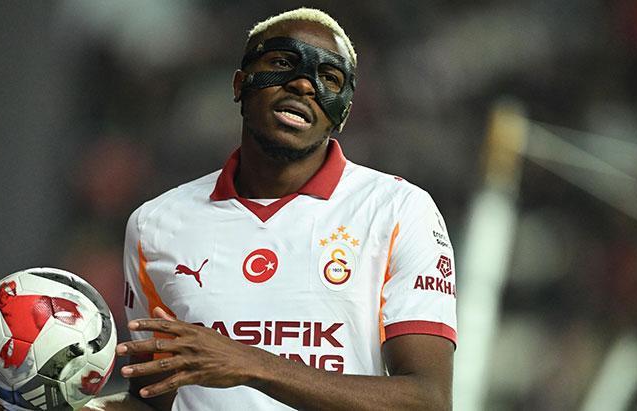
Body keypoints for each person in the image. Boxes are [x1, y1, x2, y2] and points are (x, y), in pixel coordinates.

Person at [91, 7, 457, 411]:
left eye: (330, 77)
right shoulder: (155, 224)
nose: (303, 83)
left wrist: (254, 364)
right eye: (282, 63)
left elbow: (427, 400)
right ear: (240, 84)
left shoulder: (398, 210)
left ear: (343, 112)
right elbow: (151, 402)